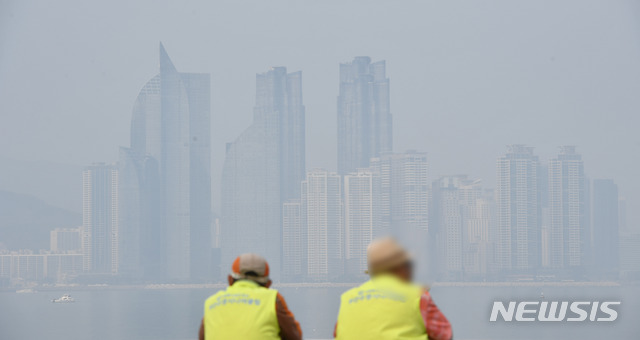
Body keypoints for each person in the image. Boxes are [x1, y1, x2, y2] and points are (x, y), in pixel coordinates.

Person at [334, 237, 453, 340]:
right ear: (402, 269)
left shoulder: (347, 298)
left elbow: (338, 334)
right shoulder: (417, 296)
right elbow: (444, 335)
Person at [198, 253, 302, 340]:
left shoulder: (211, 303)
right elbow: (295, 336)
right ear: (268, 284)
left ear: (230, 280)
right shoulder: (272, 300)